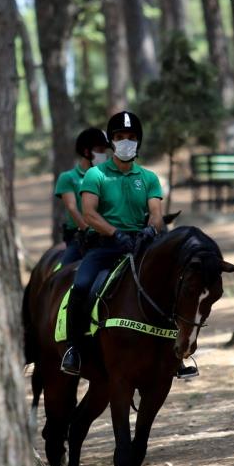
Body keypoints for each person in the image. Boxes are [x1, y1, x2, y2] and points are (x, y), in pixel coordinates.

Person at [60, 111, 164, 377]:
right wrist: (115, 234)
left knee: (171, 282)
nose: (125, 141)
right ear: (112, 141)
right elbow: (89, 214)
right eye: (119, 137)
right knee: (82, 286)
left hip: (141, 246)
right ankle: (74, 349)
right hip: (105, 246)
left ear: (138, 141)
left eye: (130, 137)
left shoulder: (149, 177)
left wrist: (150, 231)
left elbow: (156, 213)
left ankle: (178, 351)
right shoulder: (95, 175)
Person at [55, 128, 110, 266]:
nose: (104, 155)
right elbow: (72, 209)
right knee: (63, 271)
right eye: (100, 150)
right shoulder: (68, 178)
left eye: (105, 150)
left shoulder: (110, 177)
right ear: (86, 151)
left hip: (108, 236)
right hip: (80, 238)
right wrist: (89, 231)